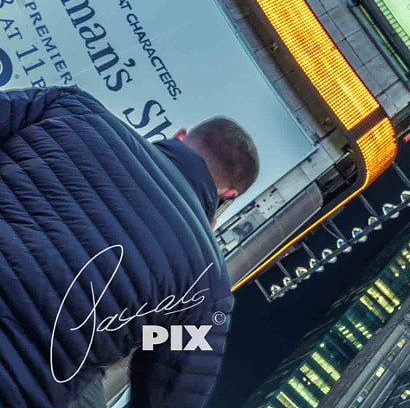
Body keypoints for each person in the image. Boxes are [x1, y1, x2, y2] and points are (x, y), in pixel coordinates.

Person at [0, 88, 257, 408]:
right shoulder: (208, 286)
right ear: (229, 196)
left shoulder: (73, 107)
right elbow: (171, 396)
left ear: (180, 135)